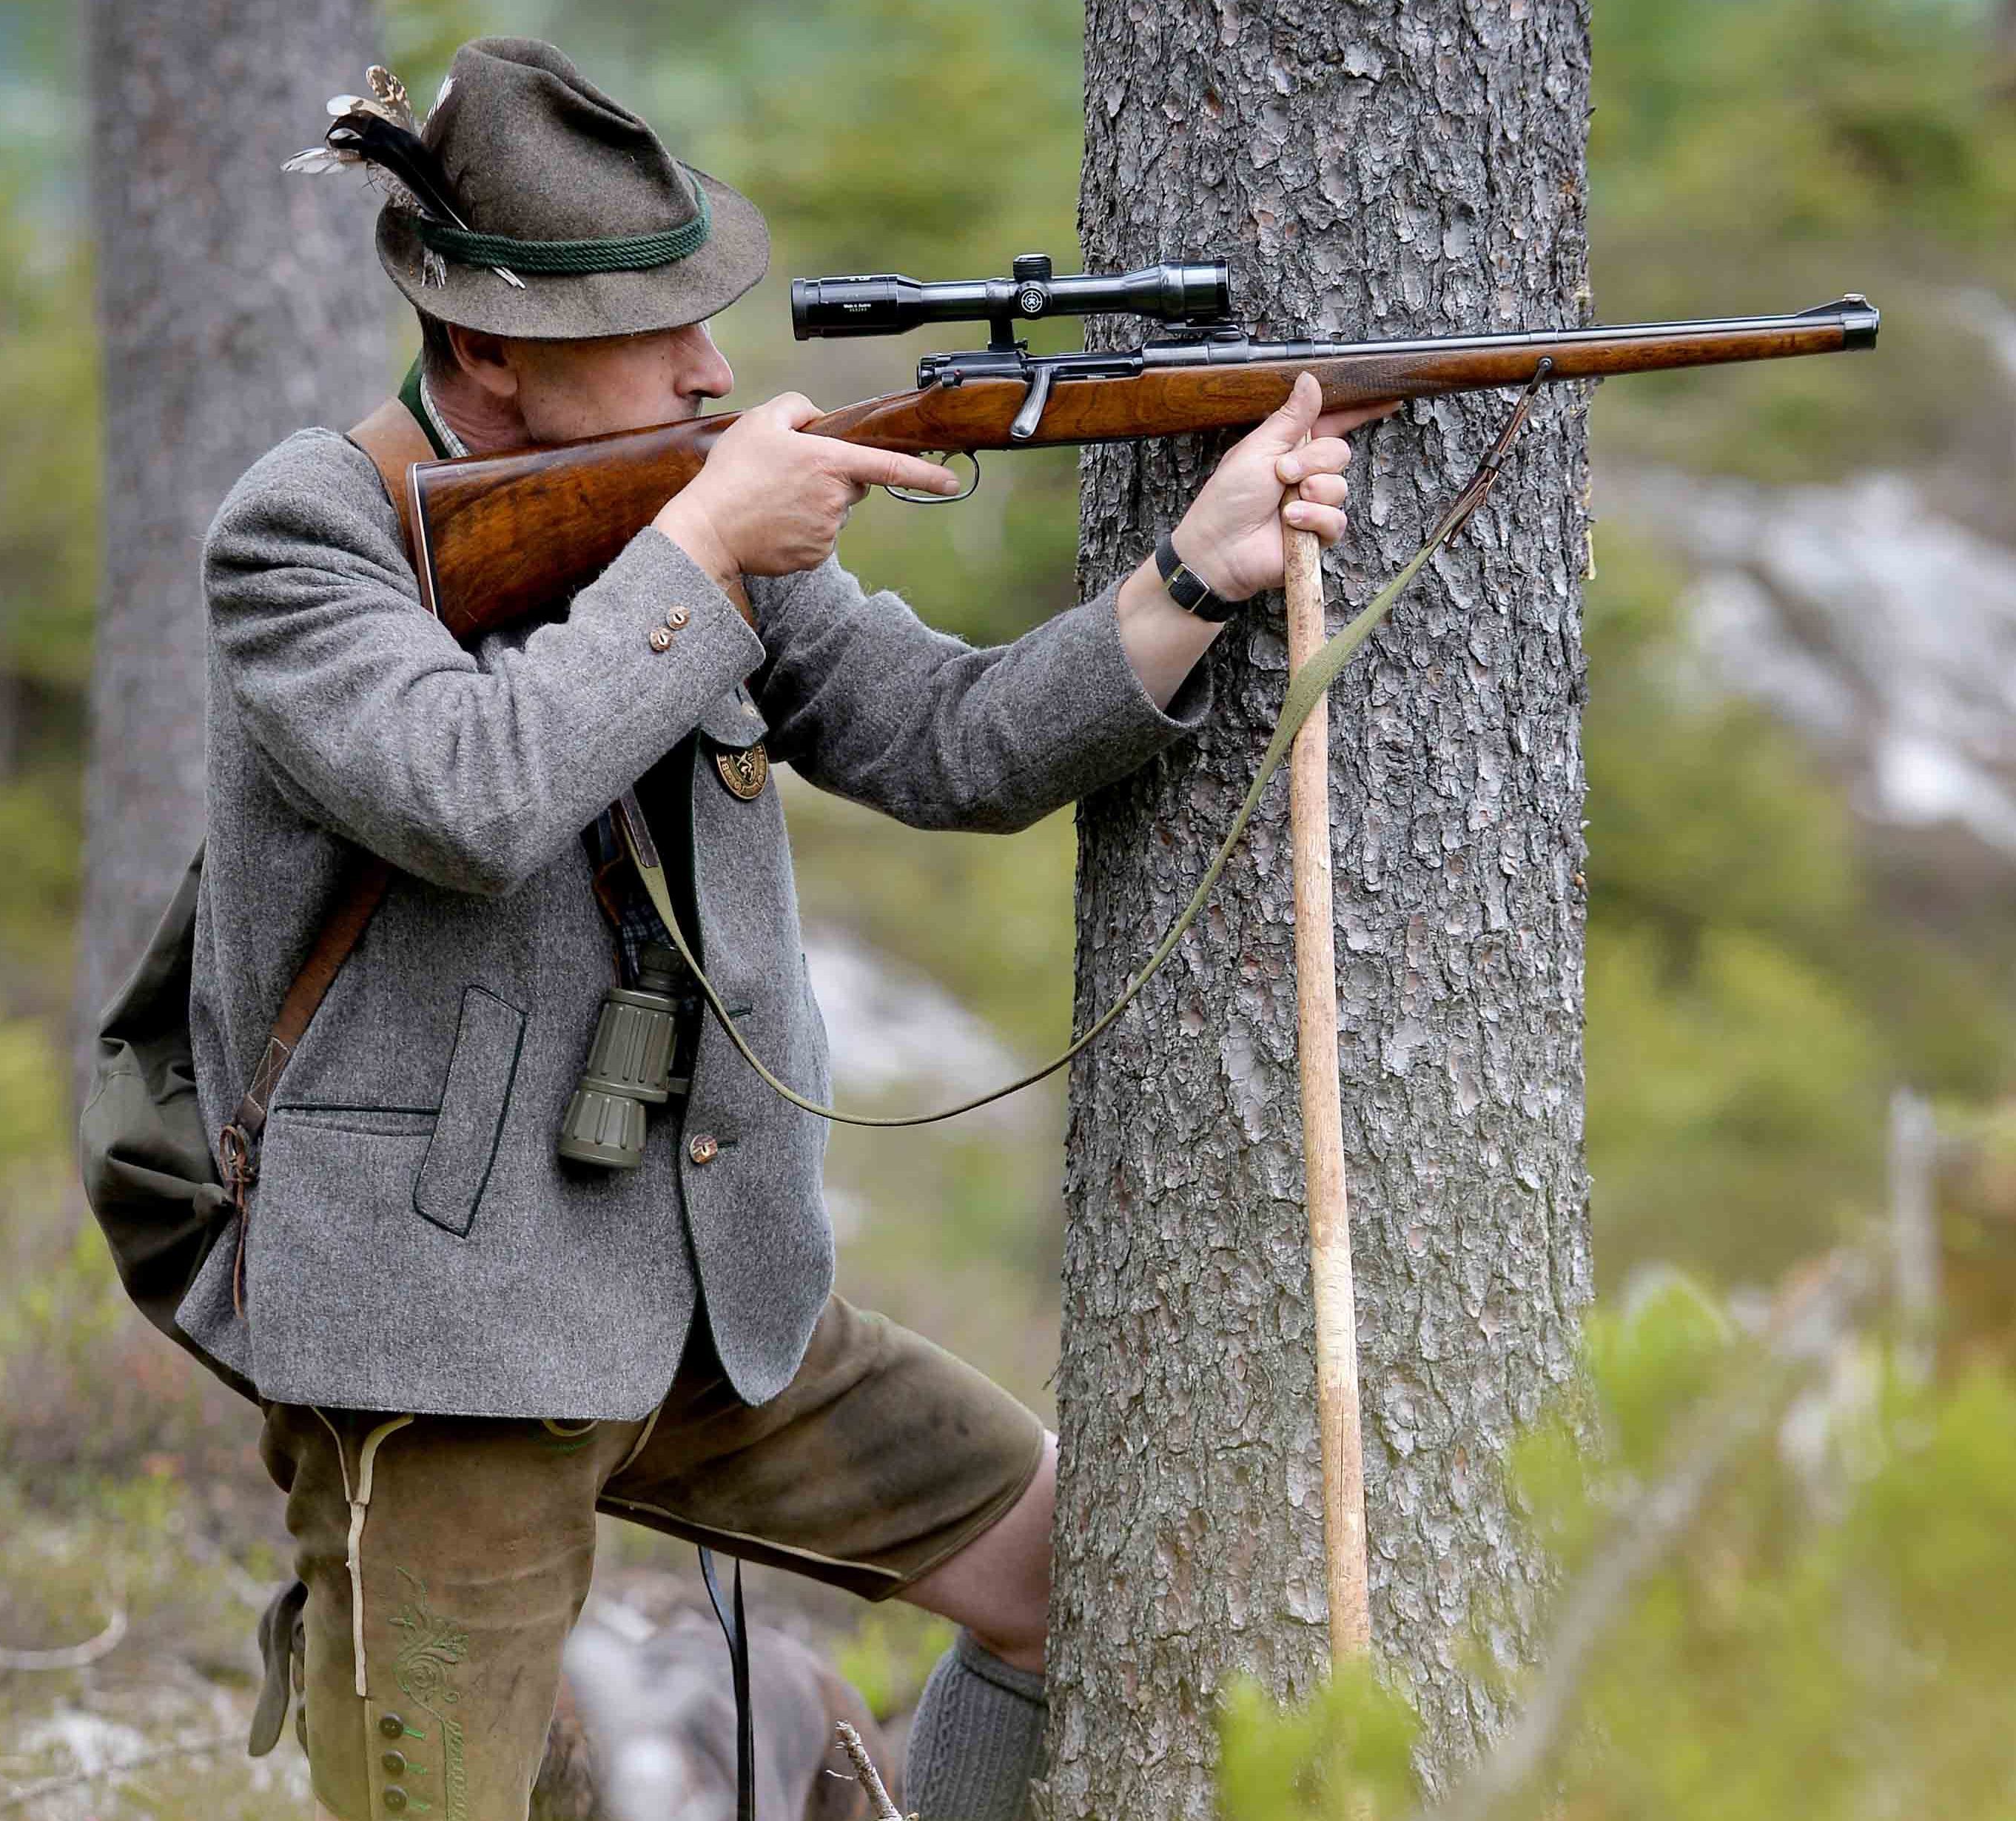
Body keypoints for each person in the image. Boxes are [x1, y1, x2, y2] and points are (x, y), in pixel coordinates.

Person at [187, 37, 1368, 1821]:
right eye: (653, 332)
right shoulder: (307, 535)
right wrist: (704, 555)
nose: (713, 367)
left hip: (705, 1290)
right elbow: (470, 791)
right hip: (447, 1334)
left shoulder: (679, 510)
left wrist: (1193, 576)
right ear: (485, 352)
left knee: (1075, 1583)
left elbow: (952, 741)